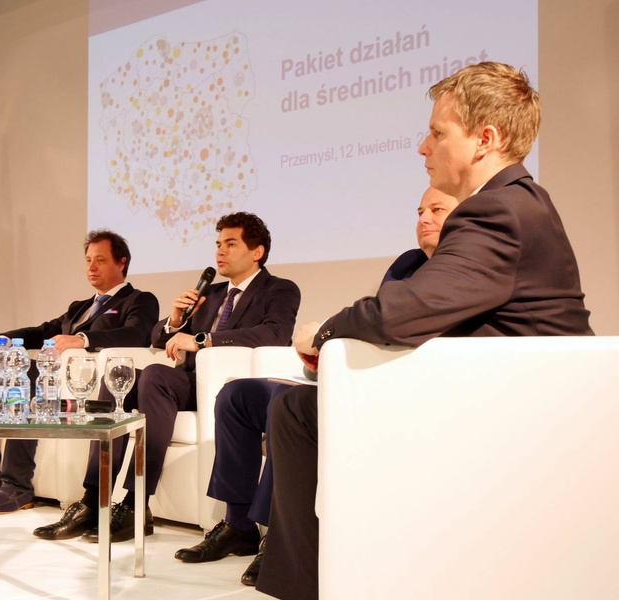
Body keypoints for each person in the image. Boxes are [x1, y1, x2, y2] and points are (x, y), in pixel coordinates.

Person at [256, 61, 594, 600]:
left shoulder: (497, 210)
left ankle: (307, 588)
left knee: (297, 411)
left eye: (438, 133)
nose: (422, 147)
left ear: (485, 140)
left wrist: (322, 333)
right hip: (518, 399)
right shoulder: (519, 202)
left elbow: (402, 312)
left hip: (518, 417)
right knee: (303, 405)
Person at [173, 187, 459, 586]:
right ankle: (237, 525)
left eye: (437, 209)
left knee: (287, 402)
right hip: (349, 369)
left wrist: (327, 337)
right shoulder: (408, 263)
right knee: (237, 395)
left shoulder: (458, 268)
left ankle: (276, 538)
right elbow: (378, 321)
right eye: (420, 210)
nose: (424, 218)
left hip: (395, 383)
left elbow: (389, 321)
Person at [33, 211, 301, 543]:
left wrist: (202, 339)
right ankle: (93, 498)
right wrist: (175, 321)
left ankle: (135, 503)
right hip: (186, 382)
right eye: (218, 243)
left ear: (257, 251)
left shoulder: (280, 289)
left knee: (156, 376)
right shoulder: (211, 294)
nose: (220, 251)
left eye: (231, 244)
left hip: (230, 387)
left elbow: (274, 333)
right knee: (119, 376)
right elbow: (158, 338)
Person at [0, 229, 159, 513]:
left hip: (84, 381)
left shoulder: (139, 300)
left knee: (25, 375)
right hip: (54, 375)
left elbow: (136, 334)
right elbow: (43, 331)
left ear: (122, 263)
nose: (91, 267)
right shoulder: (81, 307)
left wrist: (83, 339)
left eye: (100, 260)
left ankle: (17, 486)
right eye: (88, 260)